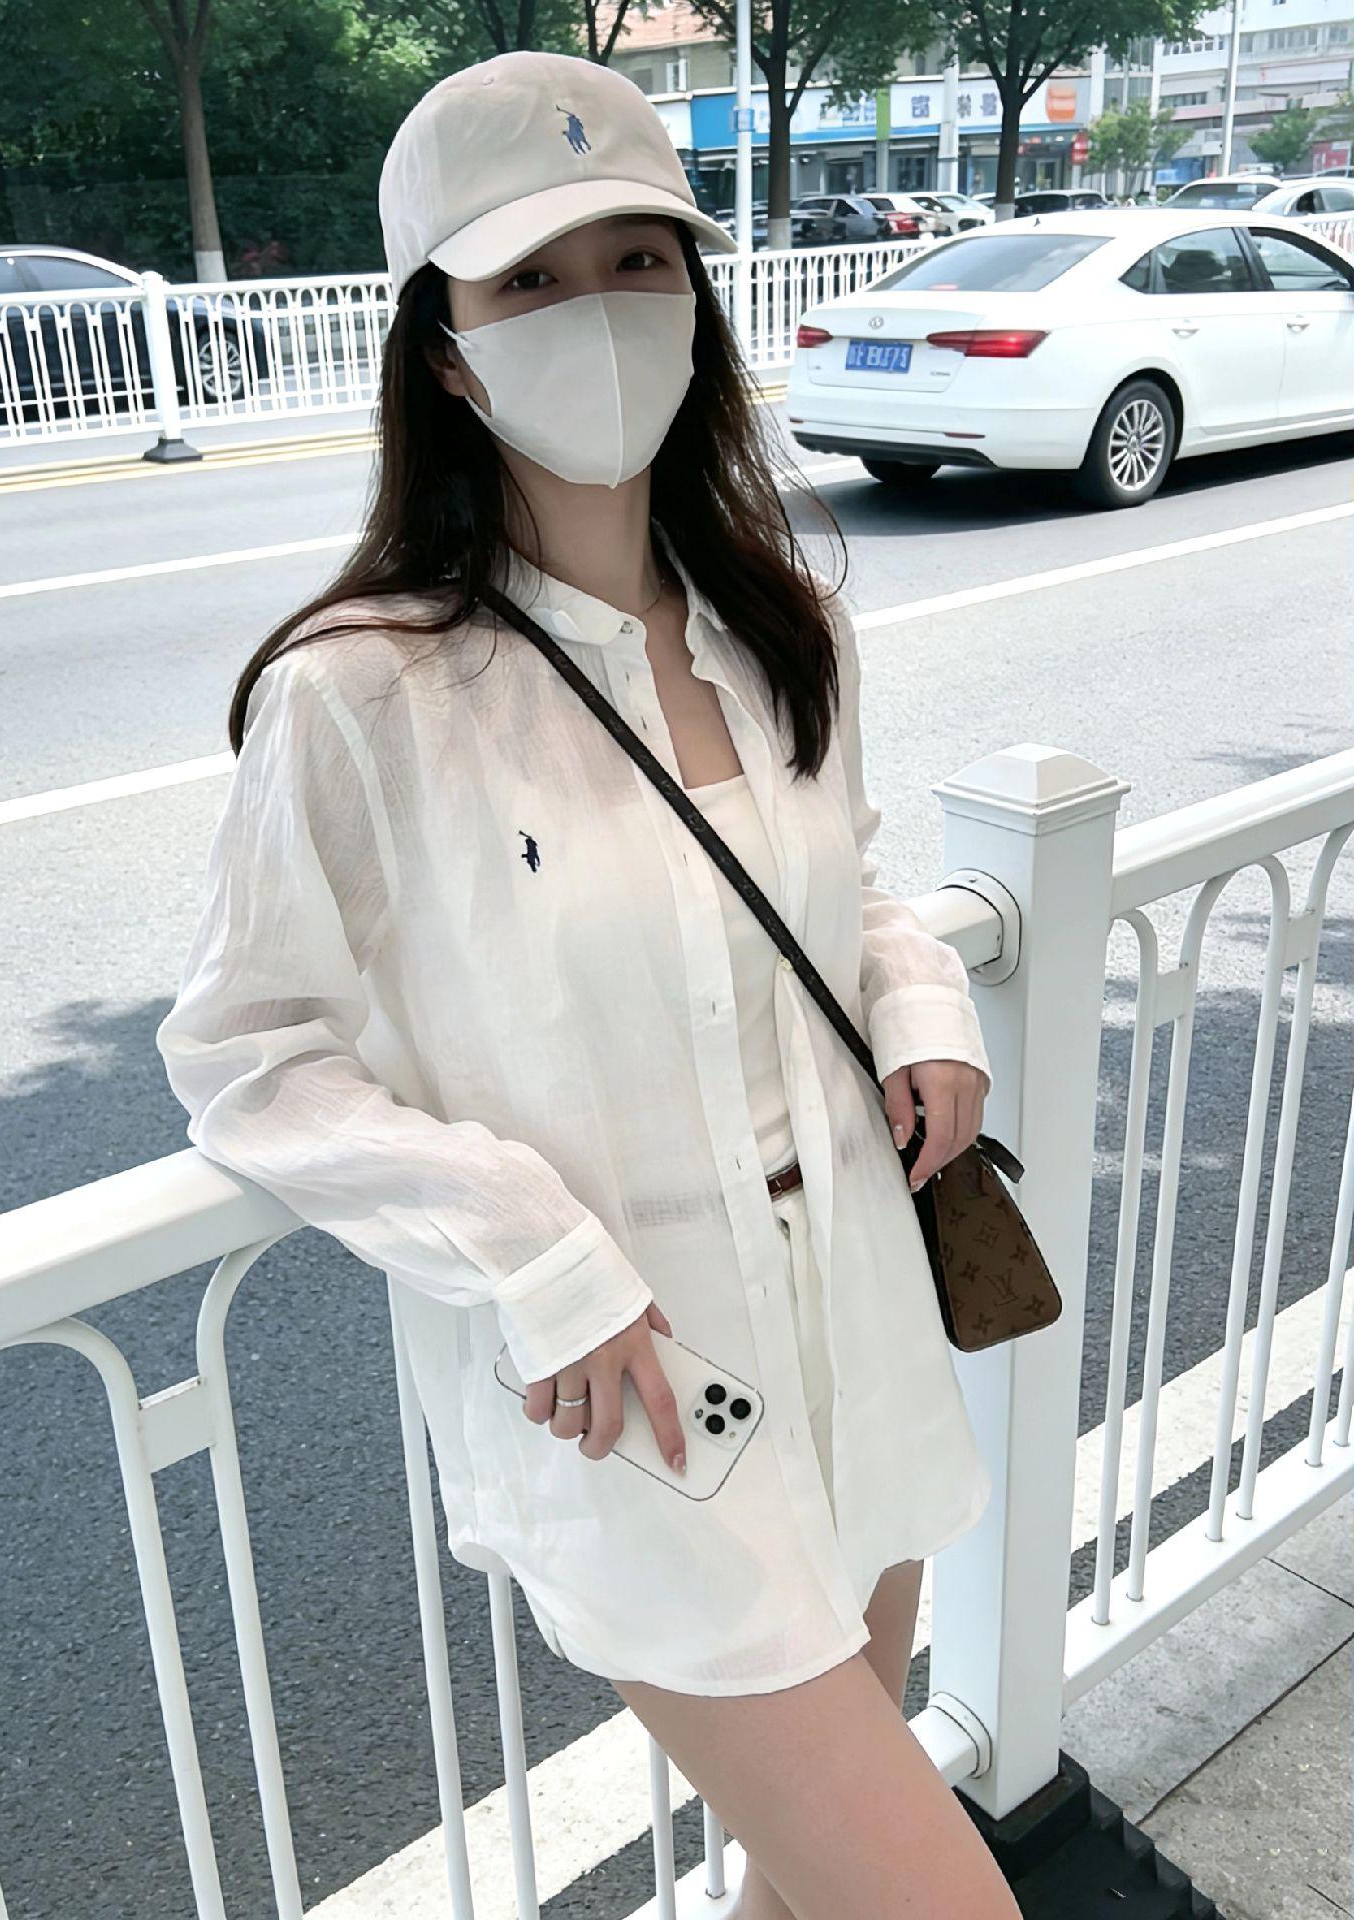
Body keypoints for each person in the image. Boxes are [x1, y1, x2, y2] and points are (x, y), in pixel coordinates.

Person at [155, 48, 1018, 1920]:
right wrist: (528, 1250)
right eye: (530, 279)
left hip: (858, 1315)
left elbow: (843, 884)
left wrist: (924, 1007)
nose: (601, 313)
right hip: (651, 1402)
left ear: (697, 301)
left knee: (807, 1888)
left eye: (638, 259)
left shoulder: (779, 622)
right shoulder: (364, 690)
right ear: (446, 354)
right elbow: (249, 1053)